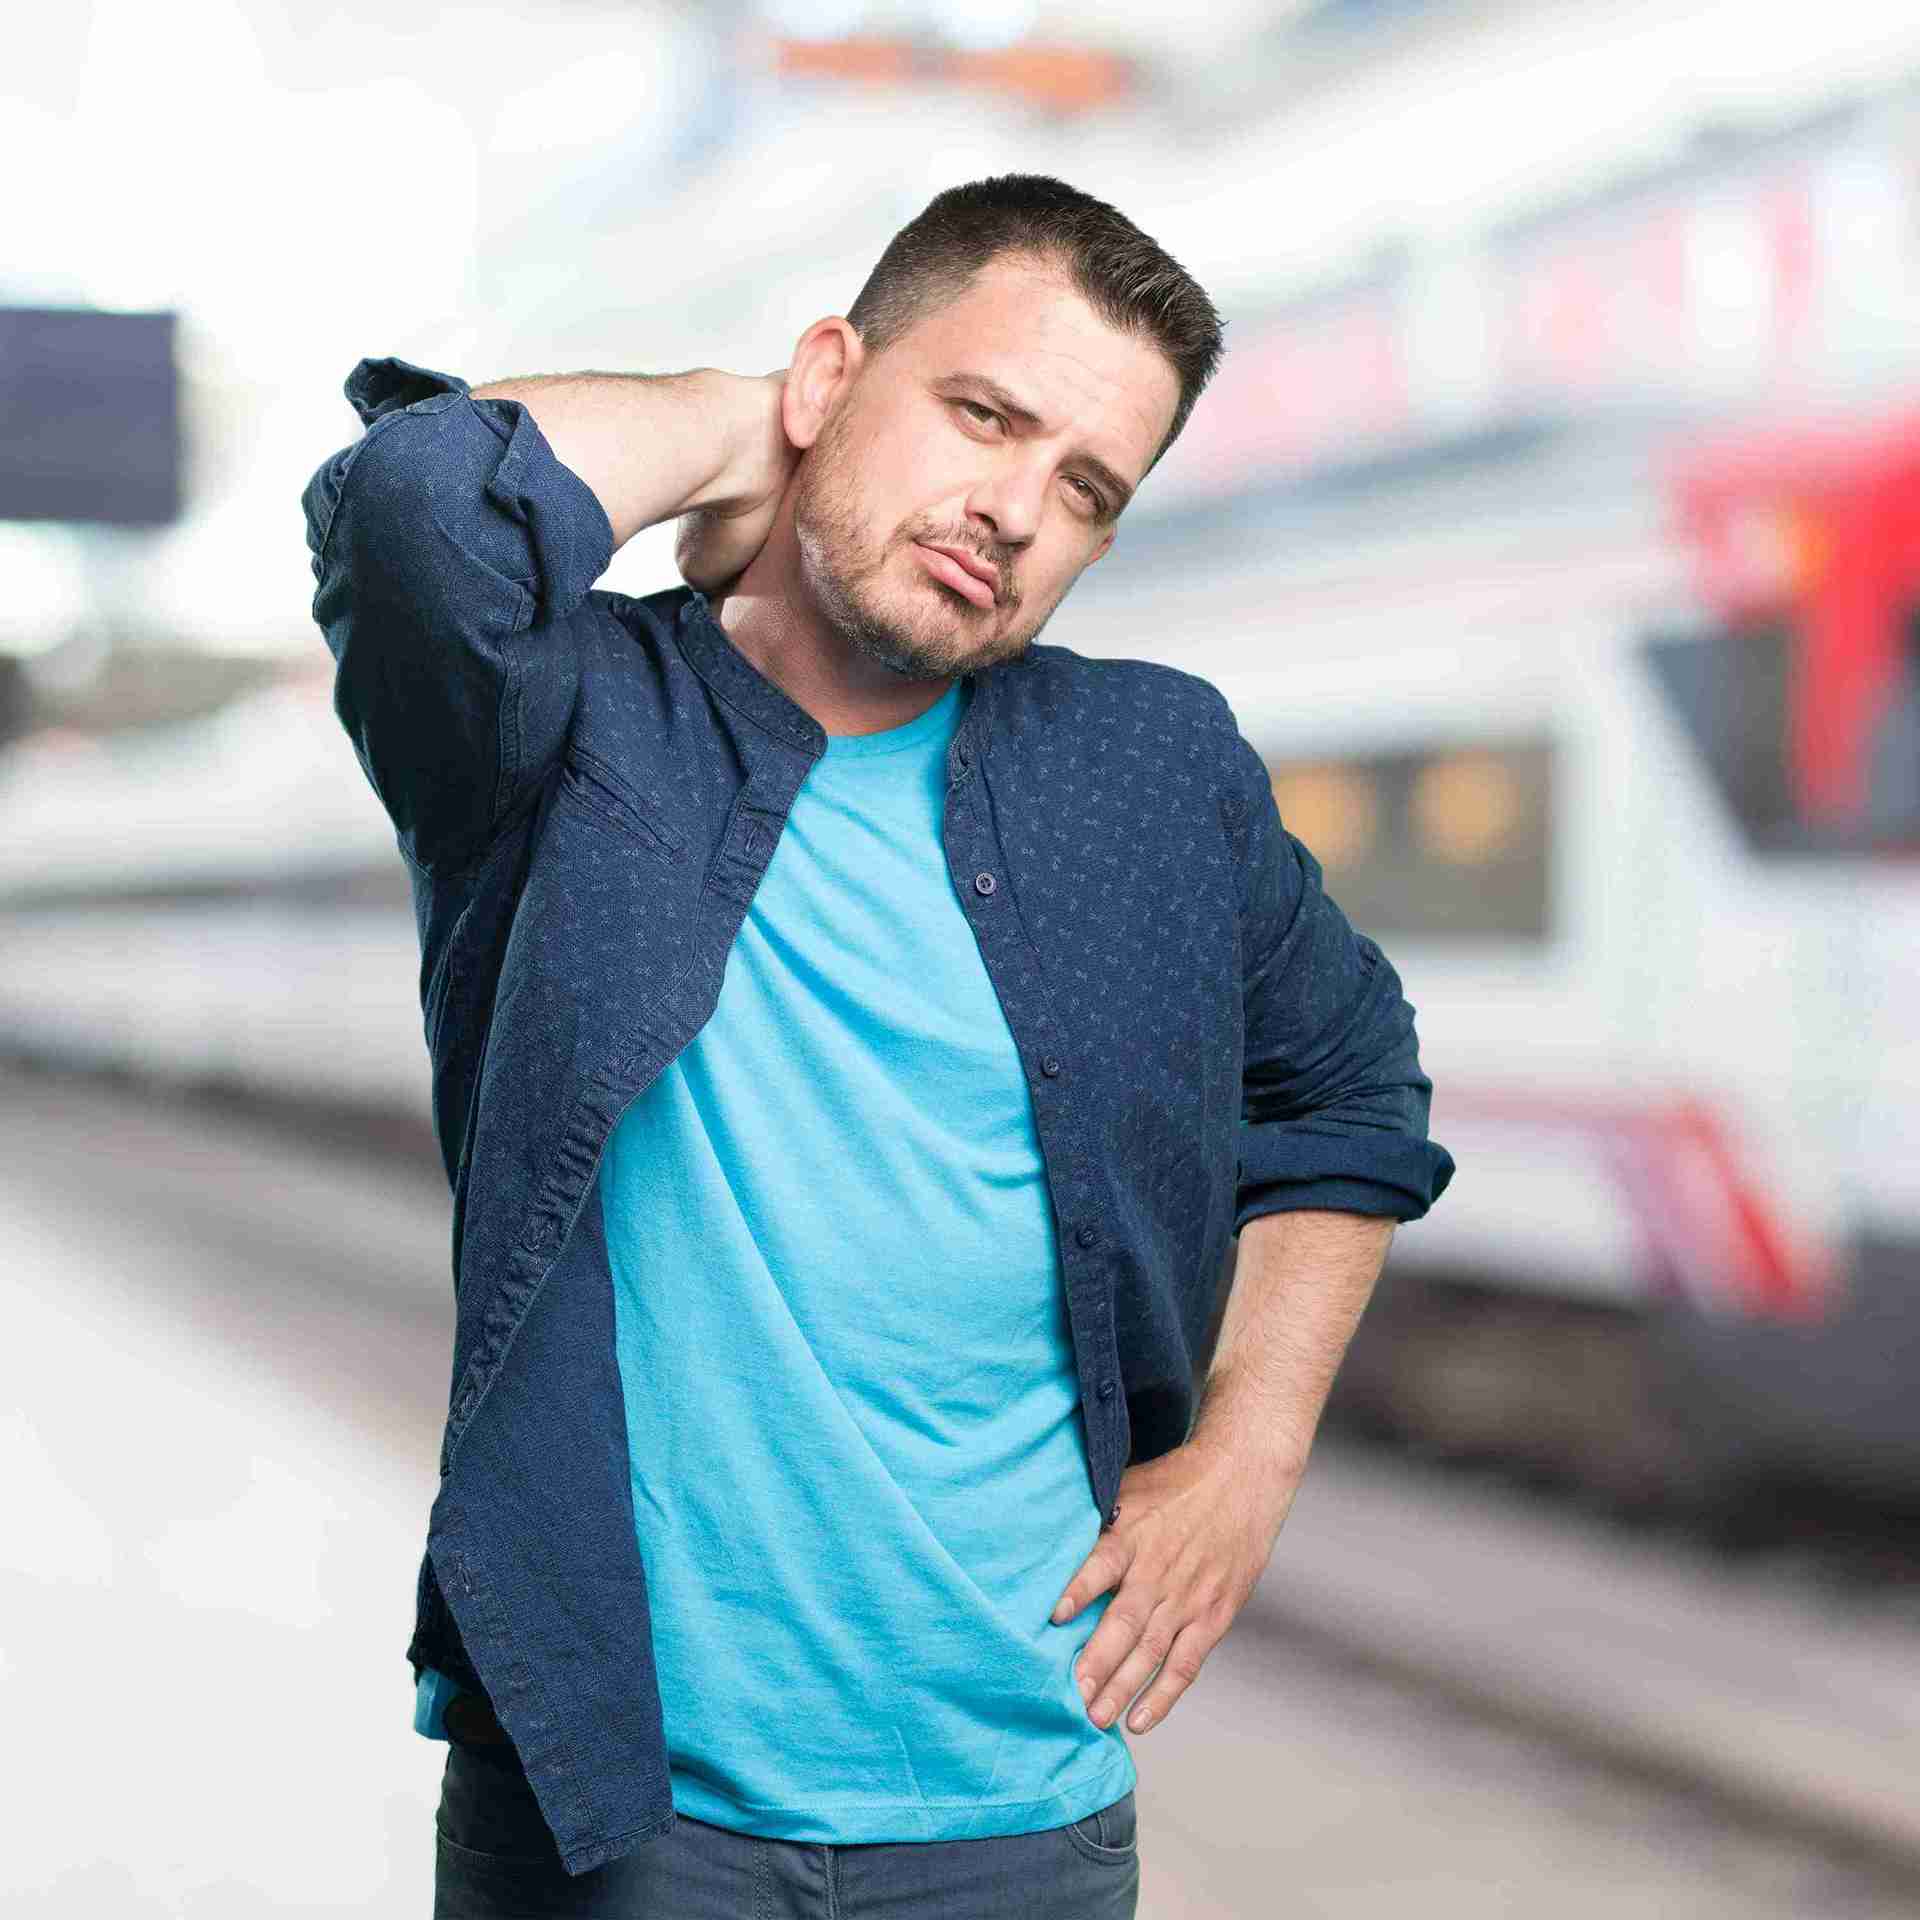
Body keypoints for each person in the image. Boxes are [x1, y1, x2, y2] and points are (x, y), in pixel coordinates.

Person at [300, 171, 1454, 1918]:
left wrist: (1250, 1452)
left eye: (1083, 490)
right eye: (981, 415)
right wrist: (734, 430)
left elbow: (1349, 1090)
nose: (1012, 510)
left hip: (1027, 1816)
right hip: (616, 1809)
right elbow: (415, 499)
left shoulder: (1154, 769)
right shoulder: (559, 726)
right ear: (832, 375)